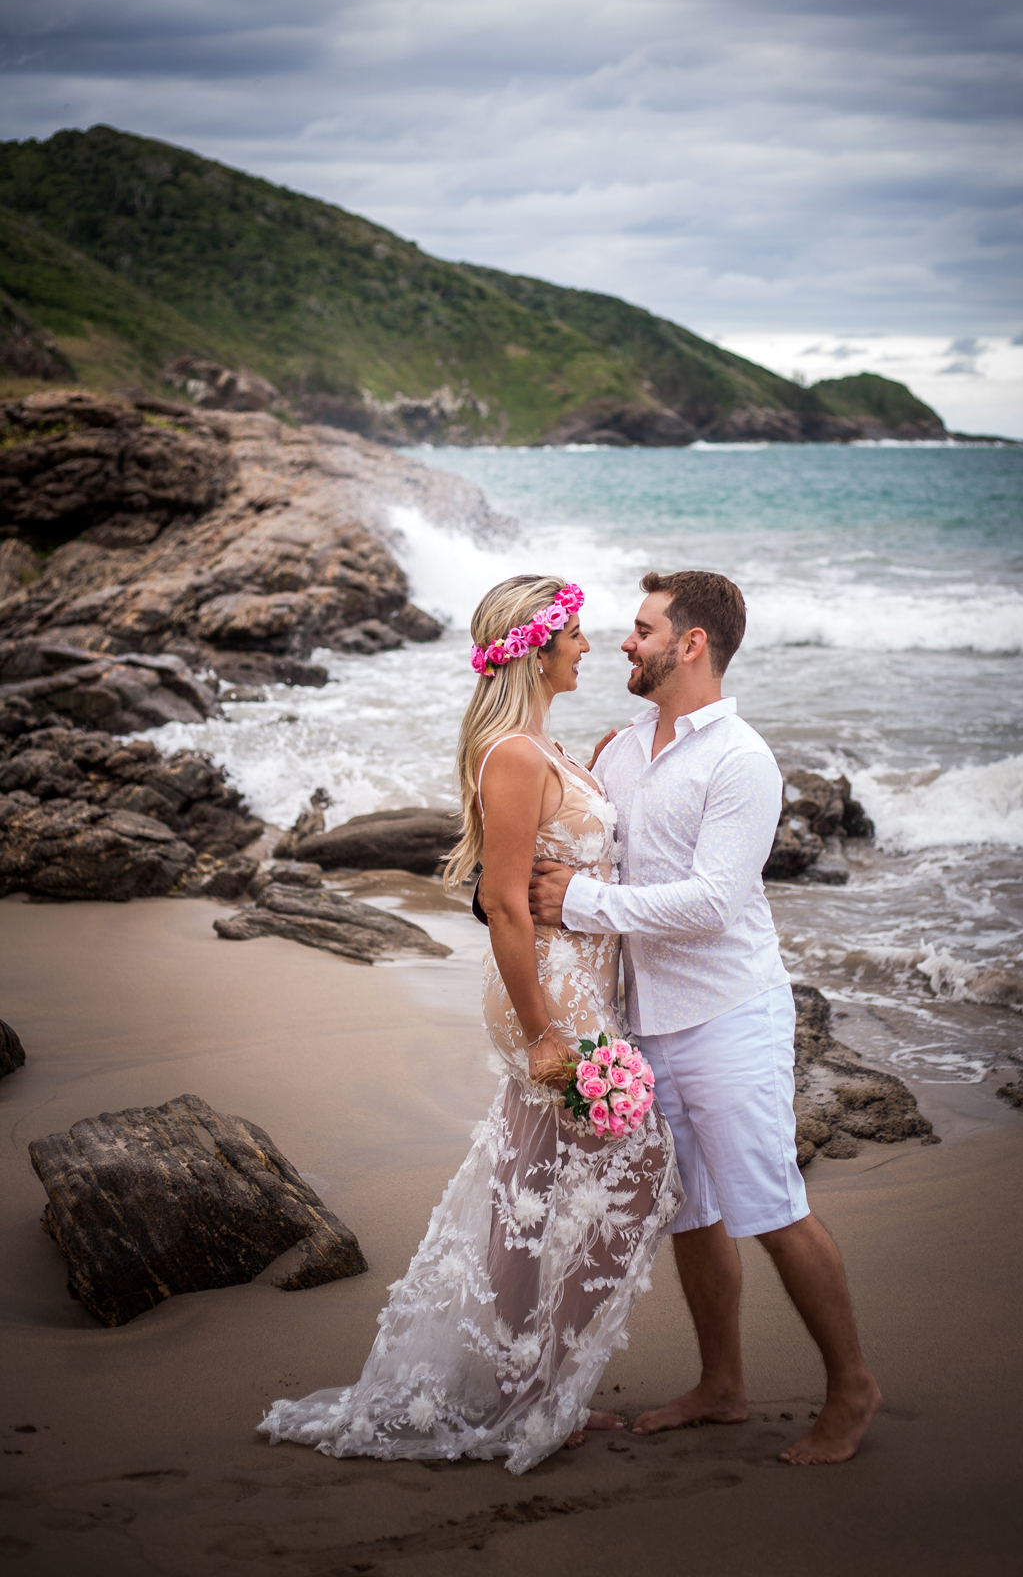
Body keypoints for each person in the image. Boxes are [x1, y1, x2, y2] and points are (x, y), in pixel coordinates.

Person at [258, 575, 681, 1475]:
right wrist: (541, 1030)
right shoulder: (514, 756)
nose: (588, 646)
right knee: (636, 1169)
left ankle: (528, 1384)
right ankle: (537, 1387)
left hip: (576, 980)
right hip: (549, 990)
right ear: (535, 647)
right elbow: (504, 902)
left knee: (533, 1183)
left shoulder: (544, 746)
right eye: (574, 633)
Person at [528, 570, 882, 1466]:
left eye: (642, 629)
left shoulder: (740, 759)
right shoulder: (619, 751)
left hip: (730, 1014)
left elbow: (714, 903)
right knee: (691, 1212)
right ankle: (722, 1385)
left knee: (771, 1208)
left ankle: (852, 1387)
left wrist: (578, 904)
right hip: (645, 1022)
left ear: (691, 644)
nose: (625, 641)